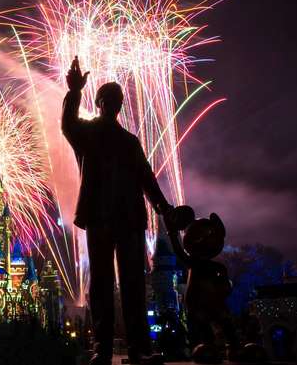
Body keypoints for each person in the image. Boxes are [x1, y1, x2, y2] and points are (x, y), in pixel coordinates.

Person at [62, 57, 172, 365]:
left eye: (118, 99)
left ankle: (135, 348)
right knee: (103, 283)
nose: (115, 103)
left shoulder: (129, 141)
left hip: (126, 219)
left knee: (132, 283)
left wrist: (162, 206)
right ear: (99, 103)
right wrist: (74, 92)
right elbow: (67, 124)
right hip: (103, 217)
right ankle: (106, 347)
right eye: (110, 98)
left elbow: (147, 177)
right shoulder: (88, 133)